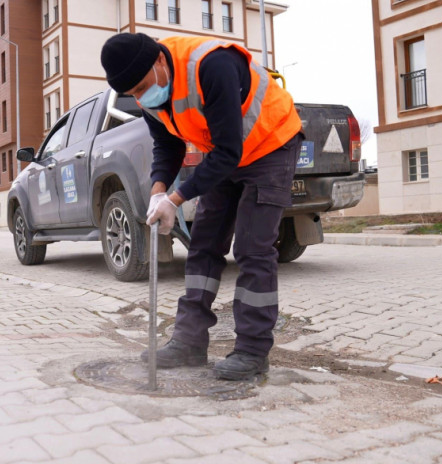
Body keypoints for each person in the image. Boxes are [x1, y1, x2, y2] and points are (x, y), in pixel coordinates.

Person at [100, 33, 302, 381]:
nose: (141, 97)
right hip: (226, 156)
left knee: (253, 249)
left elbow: (227, 152)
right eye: (132, 93)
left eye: (143, 87)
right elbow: (167, 145)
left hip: (271, 144)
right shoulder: (148, 95)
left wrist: (177, 199)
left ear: (160, 61)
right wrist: (158, 191)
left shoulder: (211, 65)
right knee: (203, 245)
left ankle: (253, 351)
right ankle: (189, 343)